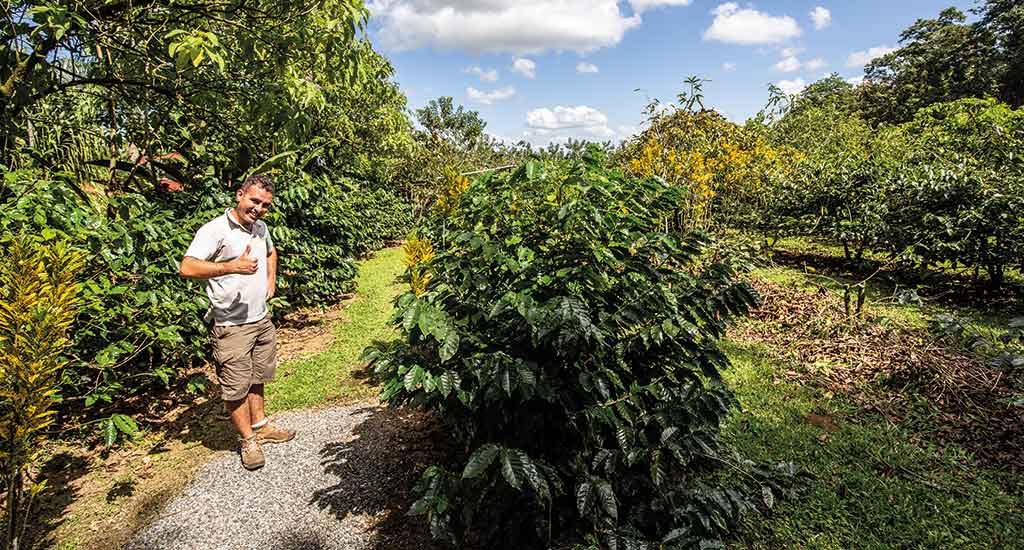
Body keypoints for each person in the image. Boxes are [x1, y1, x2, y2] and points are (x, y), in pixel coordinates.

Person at [179, 174, 295, 470]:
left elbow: (270, 252)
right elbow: (187, 267)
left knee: (257, 377)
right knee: (236, 386)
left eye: (265, 205)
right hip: (232, 325)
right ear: (240, 195)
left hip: (260, 318)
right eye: (254, 201)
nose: (259, 208)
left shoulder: (261, 228)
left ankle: (261, 426)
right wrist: (231, 266)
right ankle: (247, 440)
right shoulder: (215, 230)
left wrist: (271, 279)